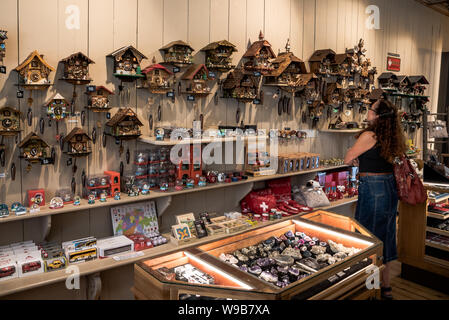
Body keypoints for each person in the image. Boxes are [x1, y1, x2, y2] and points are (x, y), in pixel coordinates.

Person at [344, 99, 407, 300]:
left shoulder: (369, 135)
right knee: (386, 238)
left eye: (370, 109)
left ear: (377, 116)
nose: (368, 112)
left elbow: (347, 158)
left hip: (373, 188)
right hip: (389, 188)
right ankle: (385, 288)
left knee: (369, 240)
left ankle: (370, 290)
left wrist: (355, 157)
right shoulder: (393, 136)